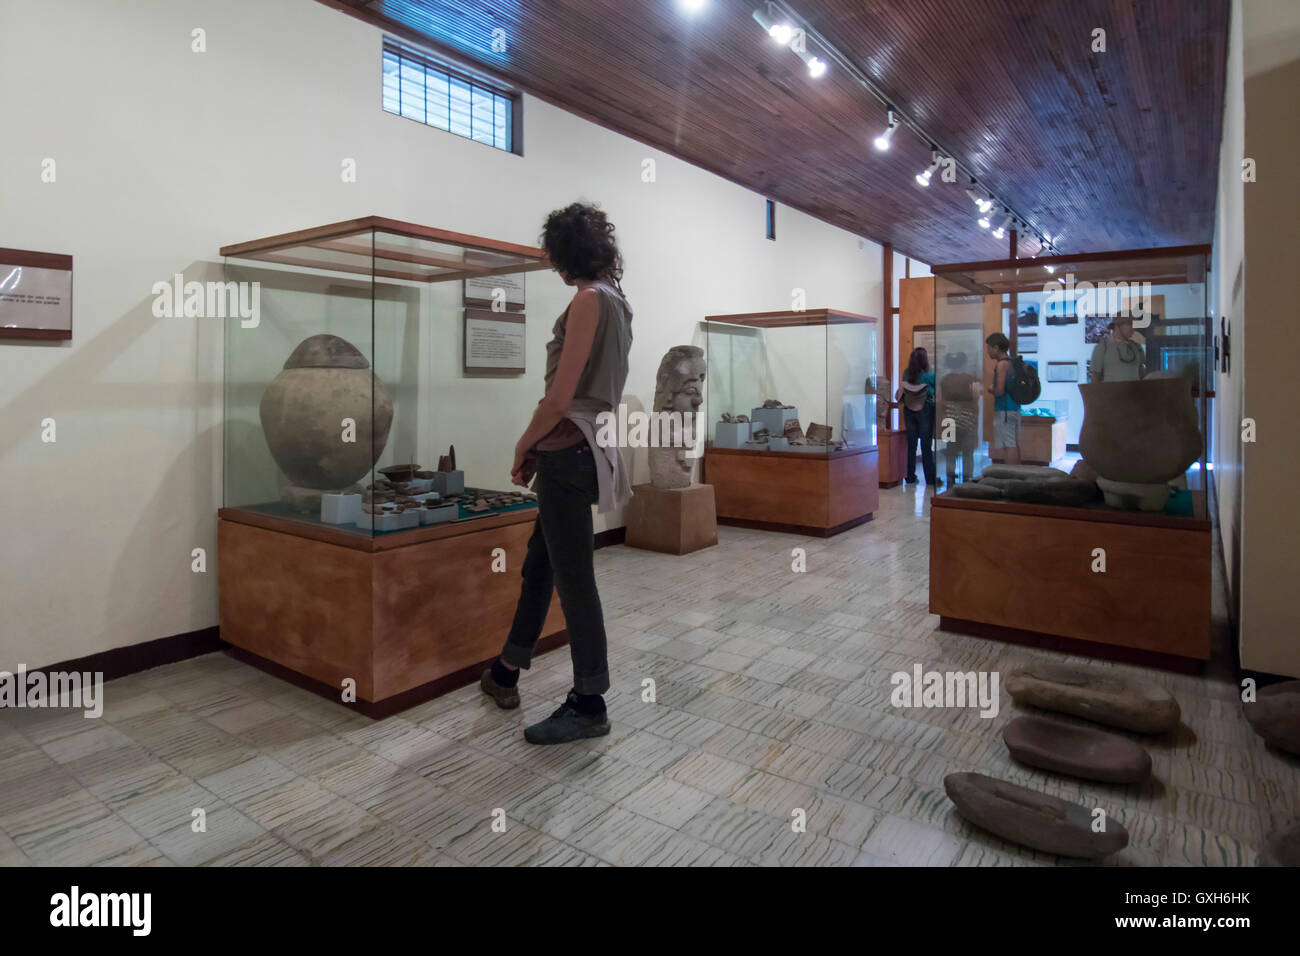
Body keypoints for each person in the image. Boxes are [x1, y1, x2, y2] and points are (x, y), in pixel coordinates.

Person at [479, 202, 633, 745]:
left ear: (566, 256)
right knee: (541, 565)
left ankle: (589, 703)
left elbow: (560, 398)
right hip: (586, 448)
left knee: (574, 581)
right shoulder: (618, 299)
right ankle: (506, 670)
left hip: (568, 450)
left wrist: (524, 443)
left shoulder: (589, 300)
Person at [896, 347, 938, 487]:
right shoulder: (930, 375)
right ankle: (930, 479)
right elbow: (935, 392)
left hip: (909, 409)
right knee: (926, 446)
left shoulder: (906, 373)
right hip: (926, 409)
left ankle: (910, 476)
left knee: (911, 445)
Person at [937, 351, 978, 484]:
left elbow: (940, 399)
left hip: (949, 418)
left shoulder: (945, 380)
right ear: (964, 363)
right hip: (968, 418)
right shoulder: (970, 379)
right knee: (967, 451)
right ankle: (967, 477)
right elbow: (976, 397)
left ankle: (950, 476)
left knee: (951, 451)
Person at [984, 332, 1020, 463]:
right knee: (1014, 444)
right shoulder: (1012, 362)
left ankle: (1010, 473)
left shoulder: (1002, 365)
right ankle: (1016, 472)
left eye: (989, 348)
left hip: (1005, 410)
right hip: (1014, 408)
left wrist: (990, 388)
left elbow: (999, 390)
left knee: (1009, 445)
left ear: (996, 348)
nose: (987, 351)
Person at [1089, 316, 1146, 382]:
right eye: (1130, 324)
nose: (1133, 329)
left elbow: (1142, 373)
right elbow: (1095, 377)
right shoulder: (1102, 348)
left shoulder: (1137, 347)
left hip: (1135, 388)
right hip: (1110, 389)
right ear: (1117, 326)